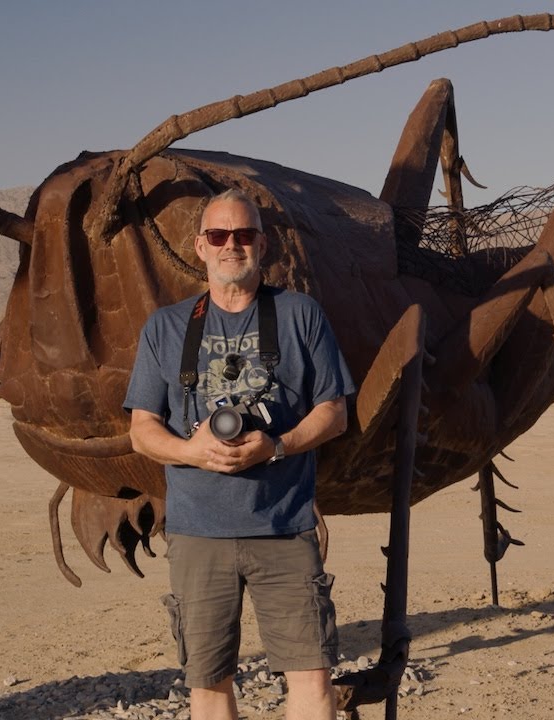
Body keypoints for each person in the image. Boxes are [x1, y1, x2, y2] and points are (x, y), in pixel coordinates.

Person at [124, 188, 354, 720]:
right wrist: (193, 450)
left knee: (313, 678)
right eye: (220, 236)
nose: (233, 245)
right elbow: (142, 430)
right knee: (208, 685)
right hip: (198, 531)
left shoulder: (300, 315)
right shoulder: (165, 326)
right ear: (200, 246)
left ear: (262, 245)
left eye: (244, 235)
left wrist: (277, 446)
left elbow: (334, 412)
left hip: (284, 526)